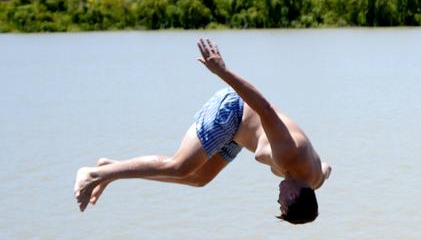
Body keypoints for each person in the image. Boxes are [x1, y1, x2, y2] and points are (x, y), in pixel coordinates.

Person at [74, 38, 331, 223]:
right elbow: (263, 108)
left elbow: (327, 167)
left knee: (199, 179)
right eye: (283, 203)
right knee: (180, 166)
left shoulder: (314, 180)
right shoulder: (290, 155)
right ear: (295, 194)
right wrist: (222, 71)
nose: (278, 200)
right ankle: (95, 173)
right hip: (234, 111)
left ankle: (112, 169)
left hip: (239, 137)